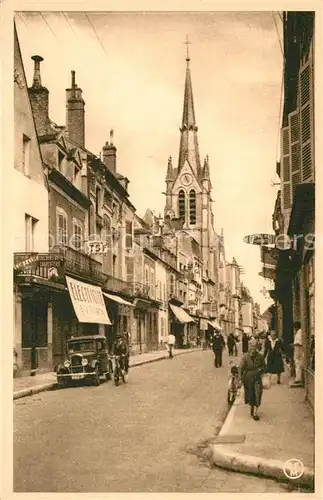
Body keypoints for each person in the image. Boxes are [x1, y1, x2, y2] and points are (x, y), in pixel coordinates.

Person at [240, 338, 266, 420]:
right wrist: (240, 378)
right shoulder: (245, 357)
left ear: (257, 347)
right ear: (249, 347)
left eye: (254, 346)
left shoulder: (260, 357)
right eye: (251, 346)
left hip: (257, 378)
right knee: (250, 394)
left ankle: (256, 412)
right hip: (248, 379)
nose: (253, 348)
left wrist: (260, 370)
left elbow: (264, 367)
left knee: (257, 394)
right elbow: (241, 368)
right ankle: (252, 407)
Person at [292, 321, 304, 385]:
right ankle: (298, 378)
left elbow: (299, 343)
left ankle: (298, 379)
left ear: (296, 327)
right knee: (298, 364)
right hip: (297, 349)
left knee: (298, 364)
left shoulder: (299, 332)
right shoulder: (299, 332)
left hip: (298, 349)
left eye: (294, 327)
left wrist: (293, 345)